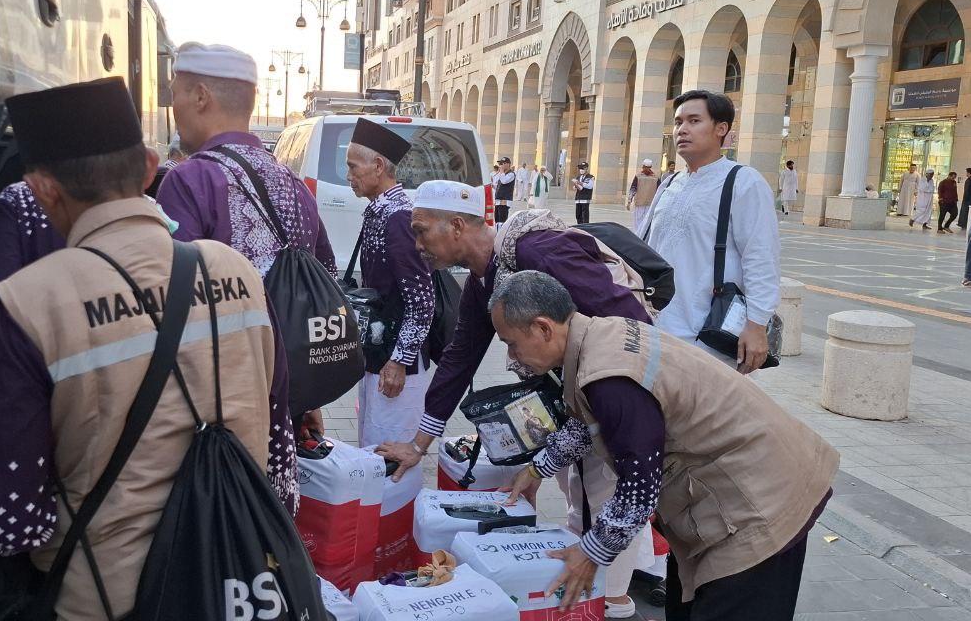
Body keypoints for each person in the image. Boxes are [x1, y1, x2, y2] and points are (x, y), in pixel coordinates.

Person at [0, 77, 276, 620]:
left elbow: (9, 523)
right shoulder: (237, 272)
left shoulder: (26, 304)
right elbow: (270, 425)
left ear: (42, 189)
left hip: (107, 600)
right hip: (237, 583)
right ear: (150, 167)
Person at [374, 181, 653, 618]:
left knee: (607, 502)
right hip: (575, 407)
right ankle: (588, 597)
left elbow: (628, 320)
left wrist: (606, 393)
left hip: (614, 393)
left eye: (422, 230)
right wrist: (419, 445)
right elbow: (460, 358)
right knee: (579, 498)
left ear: (458, 226)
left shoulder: (540, 253)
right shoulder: (485, 282)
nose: (417, 244)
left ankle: (612, 602)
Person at [492, 271, 838, 621]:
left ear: (543, 328)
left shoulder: (608, 374)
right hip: (738, 488)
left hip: (761, 504)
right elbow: (589, 421)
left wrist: (590, 554)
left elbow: (638, 492)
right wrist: (537, 469)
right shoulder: (599, 334)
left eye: (511, 343)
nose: (512, 356)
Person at [157, 42, 334, 516]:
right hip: (281, 401)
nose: (171, 109)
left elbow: (171, 307)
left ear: (199, 96)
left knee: (216, 541)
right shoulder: (290, 182)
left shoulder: (190, 180)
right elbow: (324, 279)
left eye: (174, 94)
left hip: (214, 413)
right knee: (264, 536)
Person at [640, 90, 779, 373]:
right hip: (655, 328)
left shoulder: (742, 182)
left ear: (721, 129)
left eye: (694, 121)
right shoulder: (669, 183)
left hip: (707, 336)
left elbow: (761, 257)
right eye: (678, 122)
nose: (682, 130)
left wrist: (757, 325)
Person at [345, 118, 436, 447]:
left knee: (388, 460)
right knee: (373, 450)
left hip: (397, 366)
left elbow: (422, 303)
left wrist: (400, 361)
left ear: (379, 165)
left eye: (354, 167)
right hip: (378, 355)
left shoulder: (398, 218)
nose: (349, 177)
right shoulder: (380, 211)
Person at [626, 159, 658, 230]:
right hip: (649, 203)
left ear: (643, 166)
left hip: (641, 203)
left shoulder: (638, 176)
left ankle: (638, 236)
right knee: (646, 221)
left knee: (637, 222)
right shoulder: (656, 177)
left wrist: (629, 201)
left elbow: (633, 189)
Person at [492, 157, 517, 227]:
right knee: (497, 221)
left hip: (504, 201)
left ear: (508, 164)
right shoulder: (502, 174)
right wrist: (493, 185)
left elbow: (504, 181)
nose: (501, 165)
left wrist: (502, 172)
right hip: (498, 200)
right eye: (500, 164)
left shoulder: (511, 174)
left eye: (502, 163)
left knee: (502, 222)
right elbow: (499, 185)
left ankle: (502, 236)